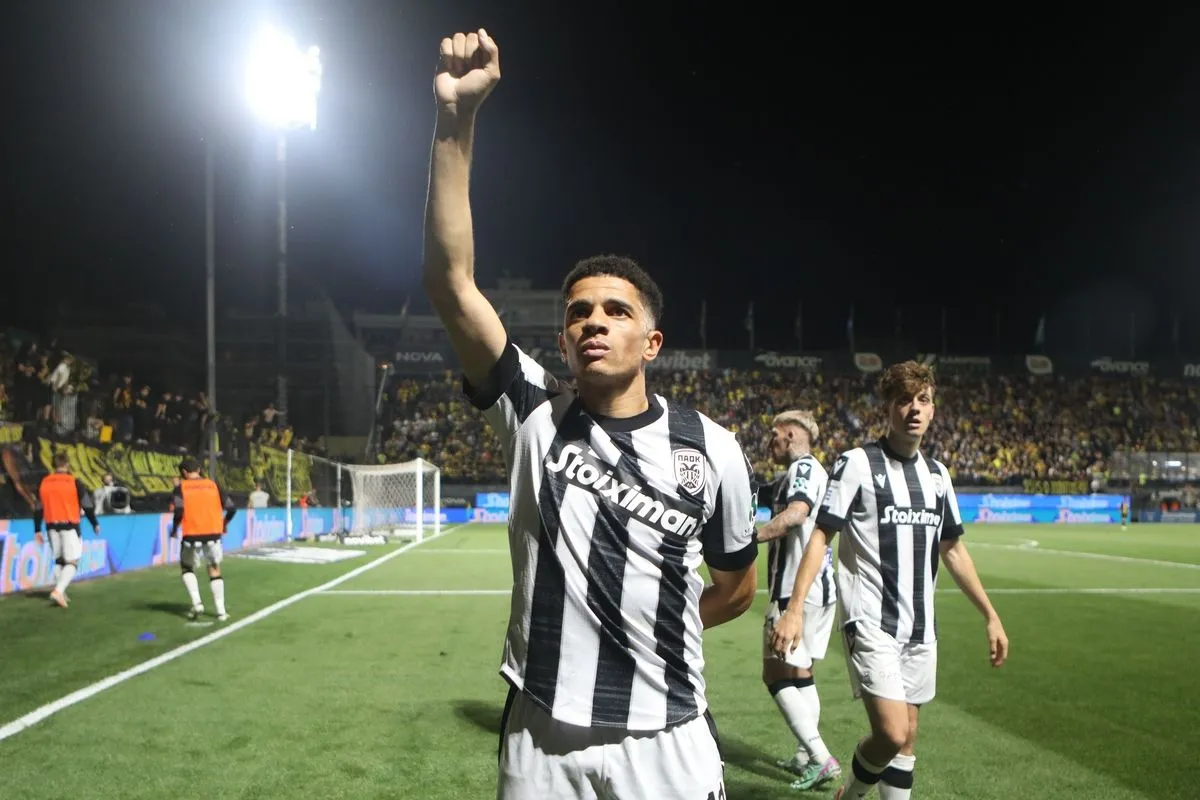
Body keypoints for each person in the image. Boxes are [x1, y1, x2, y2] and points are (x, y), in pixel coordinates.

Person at [421, 29, 759, 800]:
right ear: (564, 339)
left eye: (615, 310)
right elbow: (449, 282)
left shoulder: (713, 449)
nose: (594, 322)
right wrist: (455, 119)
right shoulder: (534, 408)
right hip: (541, 735)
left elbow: (737, 585)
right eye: (578, 313)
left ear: (652, 342)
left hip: (668, 737)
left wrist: (654, 630)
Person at [778, 361, 1010, 800]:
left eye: (923, 400)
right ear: (887, 407)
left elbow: (953, 549)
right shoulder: (857, 464)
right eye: (904, 400)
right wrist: (794, 610)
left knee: (907, 739)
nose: (914, 409)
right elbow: (821, 535)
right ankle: (850, 795)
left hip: (921, 628)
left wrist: (991, 615)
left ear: (933, 409)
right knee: (891, 732)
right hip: (870, 621)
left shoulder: (938, 476)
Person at [754, 410, 840, 790]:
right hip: (821, 591)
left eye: (774, 435)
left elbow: (796, 514)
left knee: (774, 674)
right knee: (801, 674)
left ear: (790, 434)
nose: (769, 443)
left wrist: (750, 538)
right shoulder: (813, 471)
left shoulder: (803, 468)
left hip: (795, 591)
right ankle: (805, 756)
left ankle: (821, 758)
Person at [170, 458, 237, 621]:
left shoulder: (180, 488)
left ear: (184, 472)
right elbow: (231, 507)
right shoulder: (213, 485)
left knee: (187, 567)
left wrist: (174, 528)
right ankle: (221, 611)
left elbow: (179, 510)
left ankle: (197, 603)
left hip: (191, 534)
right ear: (199, 470)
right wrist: (224, 523)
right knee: (214, 569)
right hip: (213, 534)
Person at [32, 452, 100, 608]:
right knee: (72, 562)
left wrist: (37, 529)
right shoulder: (74, 482)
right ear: (67, 464)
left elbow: (38, 507)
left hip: (51, 526)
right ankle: (58, 591)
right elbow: (87, 505)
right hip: (69, 526)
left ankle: (61, 593)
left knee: (59, 560)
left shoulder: (44, 482)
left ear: (53, 465)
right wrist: (94, 523)